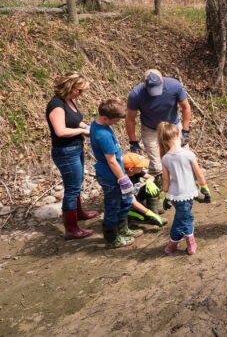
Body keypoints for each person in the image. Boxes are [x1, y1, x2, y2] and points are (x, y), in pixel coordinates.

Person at [126, 69, 192, 213]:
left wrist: (185, 131)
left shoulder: (174, 86)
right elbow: (130, 119)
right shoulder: (136, 94)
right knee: (156, 166)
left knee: (183, 158)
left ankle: (185, 190)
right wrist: (134, 142)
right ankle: (155, 198)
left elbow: (186, 108)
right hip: (150, 129)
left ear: (163, 80)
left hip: (172, 126)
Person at [46, 72, 97, 240]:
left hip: (75, 147)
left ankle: (79, 213)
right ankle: (71, 228)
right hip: (65, 151)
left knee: (77, 182)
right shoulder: (56, 105)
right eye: (79, 90)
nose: (80, 94)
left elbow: (75, 120)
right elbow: (60, 131)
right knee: (72, 188)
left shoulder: (69, 101)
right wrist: (83, 131)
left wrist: (88, 127)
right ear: (69, 86)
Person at [90, 98, 141, 248]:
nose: (116, 123)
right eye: (115, 121)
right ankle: (112, 238)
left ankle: (123, 229)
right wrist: (123, 179)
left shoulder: (100, 124)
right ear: (105, 118)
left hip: (117, 173)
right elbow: (111, 160)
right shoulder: (103, 134)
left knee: (125, 201)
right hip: (111, 176)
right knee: (113, 205)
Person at [158, 122, 209, 255]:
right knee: (186, 219)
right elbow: (199, 174)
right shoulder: (188, 154)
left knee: (180, 217)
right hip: (187, 194)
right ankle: (187, 244)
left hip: (174, 195)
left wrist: (164, 196)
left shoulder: (165, 158)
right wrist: (205, 188)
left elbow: (166, 180)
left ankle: (173, 244)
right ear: (179, 135)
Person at [122, 153, 167, 227]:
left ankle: (154, 212)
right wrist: (150, 214)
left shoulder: (137, 172)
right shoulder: (125, 180)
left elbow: (151, 177)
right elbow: (133, 202)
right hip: (127, 205)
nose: (142, 167)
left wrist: (150, 181)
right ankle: (135, 219)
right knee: (143, 217)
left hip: (135, 196)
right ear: (131, 169)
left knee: (151, 187)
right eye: (140, 165)